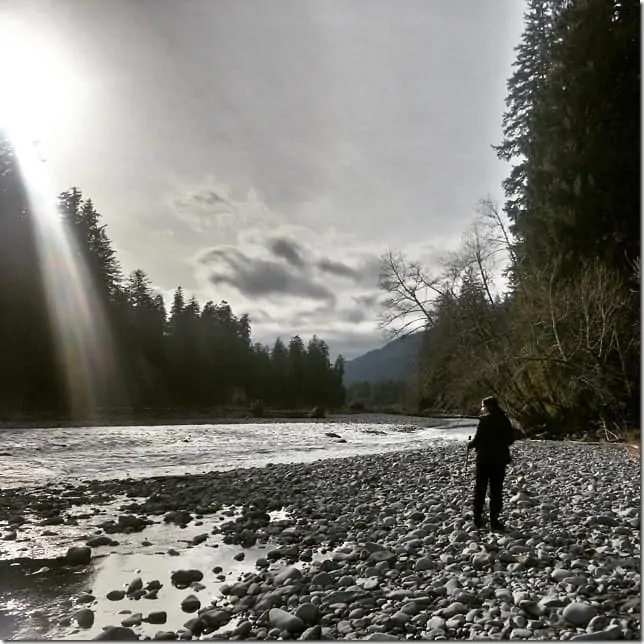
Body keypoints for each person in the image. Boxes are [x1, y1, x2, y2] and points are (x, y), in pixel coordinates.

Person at [468, 396, 516, 531]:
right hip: (499, 460)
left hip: (483, 460)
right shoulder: (504, 420)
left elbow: (477, 440)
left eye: (483, 406)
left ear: (488, 406)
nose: (482, 409)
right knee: (496, 490)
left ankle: (477, 519)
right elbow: (511, 440)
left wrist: (470, 445)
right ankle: (494, 521)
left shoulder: (484, 420)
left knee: (480, 489)